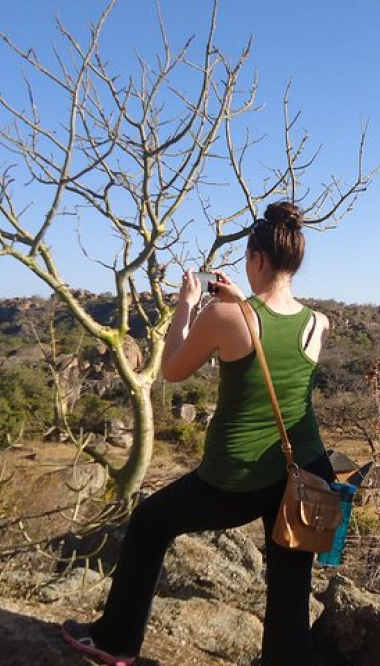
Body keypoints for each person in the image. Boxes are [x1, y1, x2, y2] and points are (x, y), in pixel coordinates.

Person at [62, 201, 334, 666]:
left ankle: (115, 640)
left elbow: (173, 370)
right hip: (303, 472)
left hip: (236, 476)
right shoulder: (318, 322)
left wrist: (187, 306)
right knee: (290, 589)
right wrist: (235, 305)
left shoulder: (225, 316)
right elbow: (270, 337)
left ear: (256, 259)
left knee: (149, 524)